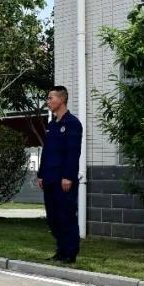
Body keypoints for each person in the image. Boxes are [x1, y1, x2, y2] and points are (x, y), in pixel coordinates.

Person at [36, 85, 83, 263]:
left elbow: (73, 153)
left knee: (66, 216)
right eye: (48, 98)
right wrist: (41, 174)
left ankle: (70, 253)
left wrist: (68, 176)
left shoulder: (72, 123)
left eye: (50, 98)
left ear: (61, 100)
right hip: (49, 178)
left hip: (64, 180)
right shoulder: (51, 126)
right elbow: (47, 152)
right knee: (53, 217)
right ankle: (61, 249)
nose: (48, 102)